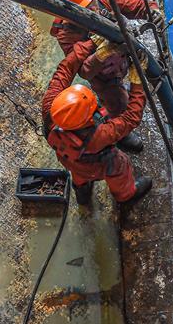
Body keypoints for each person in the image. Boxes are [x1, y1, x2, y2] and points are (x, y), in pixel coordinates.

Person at [51, 0, 163, 152]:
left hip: (124, 54)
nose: (93, 9)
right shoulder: (66, 34)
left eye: (92, 3)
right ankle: (121, 134)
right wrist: (101, 54)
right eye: (85, 8)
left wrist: (152, 10)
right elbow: (83, 70)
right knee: (118, 104)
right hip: (103, 74)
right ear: (70, 15)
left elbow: (133, 5)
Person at [42, 39, 152, 206]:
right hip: (100, 164)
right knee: (118, 167)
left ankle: (83, 193)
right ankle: (126, 196)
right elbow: (131, 118)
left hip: (68, 157)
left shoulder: (50, 106)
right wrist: (137, 82)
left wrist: (93, 45)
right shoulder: (100, 136)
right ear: (87, 120)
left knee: (78, 174)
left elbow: (65, 68)